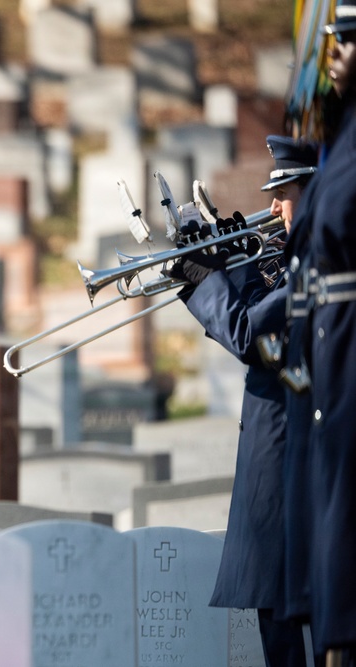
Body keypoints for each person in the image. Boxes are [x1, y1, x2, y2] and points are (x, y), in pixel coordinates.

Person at [167, 134, 319, 667]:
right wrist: (236, 265)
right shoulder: (298, 259)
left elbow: (251, 337)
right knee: (274, 628)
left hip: (297, 467)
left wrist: (206, 278)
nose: (274, 207)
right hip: (277, 468)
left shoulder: (322, 266)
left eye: (287, 192)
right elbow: (260, 326)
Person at [297, 3, 356, 662]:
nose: (334, 54)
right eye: (334, 40)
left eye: (349, 42)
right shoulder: (341, 139)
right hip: (332, 372)